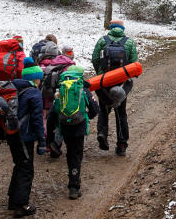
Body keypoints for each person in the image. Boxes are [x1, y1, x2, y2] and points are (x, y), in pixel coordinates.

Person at [51, 65, 99, 199]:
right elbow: (95, 109)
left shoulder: (61, 89)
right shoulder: (82, 88)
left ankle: (72, 180)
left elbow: (53, 112)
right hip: (79, 126)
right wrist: (86, 116)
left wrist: (52, 132)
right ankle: (74, 186)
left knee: (70, 153)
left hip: (65, 126)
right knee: (77, 155)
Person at [91, 19, 138, 156]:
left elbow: (95, 59)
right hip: (121, 82)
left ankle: (102, 134)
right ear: (122, 29)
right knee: (121, 112)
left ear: (111, 28)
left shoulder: (102, 40)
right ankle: (122, 144)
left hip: (104, 82)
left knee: (104, 110)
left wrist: (100, 74)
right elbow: (134, 62)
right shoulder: (129, 42)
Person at [7, 57, 45, 217]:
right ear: (35, 78)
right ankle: (21, 205)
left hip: (11, 133)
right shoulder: (34, 93)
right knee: (26, 169)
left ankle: (13, 199)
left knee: (19, 164)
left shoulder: (14, 88)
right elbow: (37, 119)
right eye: (39, 78)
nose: (40, 81)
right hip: (25, 136)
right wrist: (42, 140)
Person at [41, 44, 77, 157]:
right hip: (63, 96)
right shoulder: (69, 65)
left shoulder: (54, 62)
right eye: (70, 52)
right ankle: (56, 144)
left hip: (50, 95)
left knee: (52, 120)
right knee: (62, 121)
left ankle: (50, 143)